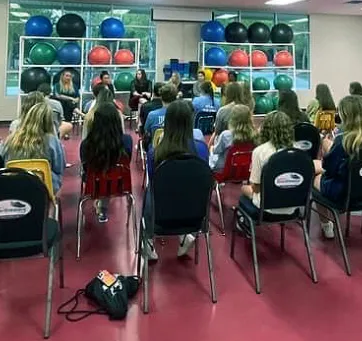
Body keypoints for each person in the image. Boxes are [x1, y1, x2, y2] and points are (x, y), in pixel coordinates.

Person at [144, 100, 209, 260]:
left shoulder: (155, 152)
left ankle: (149, 244)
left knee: (148, 193)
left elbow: (154, 184)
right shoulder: (201, 148)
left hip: (161, 216)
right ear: (190, 121)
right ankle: (185, 235)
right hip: (196, 214)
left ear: (167, 122)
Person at [314, 95, 362, 238]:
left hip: (344, 194)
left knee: (314, 177)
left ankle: (327, 226)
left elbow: (329, 168)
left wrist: (328, 148)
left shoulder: (343, 141)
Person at [80, 102, 133, 223]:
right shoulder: (127, 140)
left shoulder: (86, 144)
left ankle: (100, 202)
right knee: (111, 173)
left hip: (93, 185)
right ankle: (103, 205)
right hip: (120, 184)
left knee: (98, 174)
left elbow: (85, 167)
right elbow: (126, 163)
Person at [1, 102, 65, 194]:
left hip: (14, 186)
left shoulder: (11, 139)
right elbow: (60, 167)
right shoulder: (52, 140)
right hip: (44, 187)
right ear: (48, 121)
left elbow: (2, 159)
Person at [239, 111, 295, 215]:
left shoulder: (260, 151)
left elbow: (256, 188)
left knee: (243, 188)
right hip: (293, 205)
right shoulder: (298, 152)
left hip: (267, 206)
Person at [209, 104, 258, 172]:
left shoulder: (226, 135)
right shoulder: (255, 134)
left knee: (211, 151)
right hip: (246, 170)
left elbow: (216, 151)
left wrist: (211, 148)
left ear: (233, 118)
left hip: (225, 171)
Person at [209, 82, 255, 147]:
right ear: (240, 93)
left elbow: (217, 131)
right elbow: (251, 127)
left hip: (226, 145)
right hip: (244, 144)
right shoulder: (246, 109)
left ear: (227, 93)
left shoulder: (222, 110)